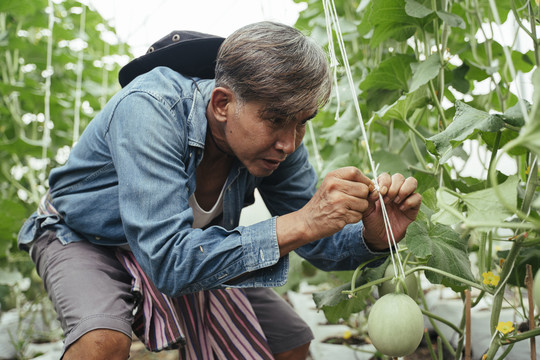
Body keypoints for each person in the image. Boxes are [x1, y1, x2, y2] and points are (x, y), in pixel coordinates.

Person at [18, 21, 422, 360]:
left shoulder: (279, 147)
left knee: (290, 341)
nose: (290, 142)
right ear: (222, 103)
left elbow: (318, 245)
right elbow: (169, 263)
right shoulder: (149, 108)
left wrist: (373, 235)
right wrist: (302, 220)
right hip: (84, 236)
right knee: (101, 342)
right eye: (277, 120)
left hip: (180, 248)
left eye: (303, 122)